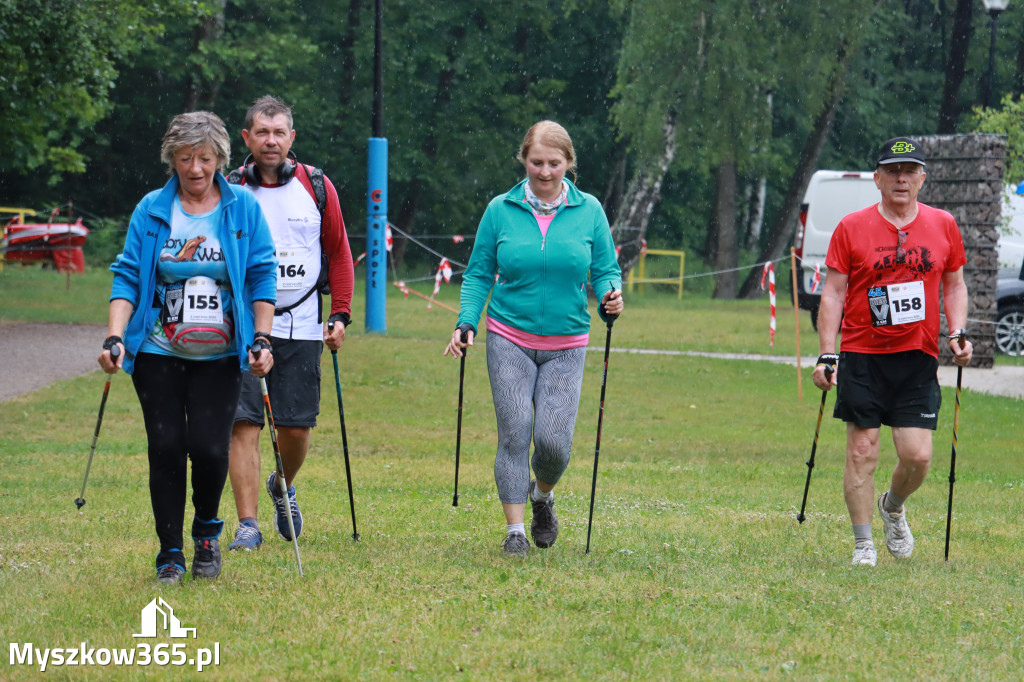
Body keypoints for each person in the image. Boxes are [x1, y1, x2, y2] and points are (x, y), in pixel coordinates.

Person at [97, 111, 277, 584]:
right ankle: (171, 553)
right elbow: (129, 275)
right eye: (184, 158)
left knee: (211, 449)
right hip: (157, 352)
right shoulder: (152, 209)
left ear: (220, 158)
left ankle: (207, 532)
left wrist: (262, 338)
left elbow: (261, 275)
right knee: (166, 446)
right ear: (171, 160)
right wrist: (115, 337)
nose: (195, 169)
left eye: (204, 158)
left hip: (220, 355)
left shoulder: (242, 210)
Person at [444, 120, 623, 557]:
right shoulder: (500, 209)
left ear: (569, 164)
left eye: (554, 163)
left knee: (554, 443)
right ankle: (515, 531)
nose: (544, 172)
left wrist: (610, 297)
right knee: (515, 433)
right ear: (524, 160)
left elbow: (604, 270)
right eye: (536, 162)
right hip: (508, 336)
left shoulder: (590, 211)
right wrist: (466, 321)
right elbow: (480, 272)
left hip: (566, 343)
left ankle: (542, 496)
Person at [812, 137, 973, 567]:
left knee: (917, 457)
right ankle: (863, 544)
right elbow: (832, 293)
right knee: (862, 450)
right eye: (893, 170)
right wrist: (827, 355)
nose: (902, 178)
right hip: (862, 354)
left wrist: (957, 331)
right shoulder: (852, 227)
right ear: (878, 179)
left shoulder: (943, 225)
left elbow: (955, 284)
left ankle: (893, 505)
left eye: (910, 170)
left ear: (922, 177)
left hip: (916, 356)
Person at [225, 95, 354, 551]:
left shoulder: (317, 186)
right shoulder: (231, 189)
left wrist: (339, 312)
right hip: (242, 325)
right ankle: (247, 524)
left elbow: (338, 253)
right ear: (247, 138)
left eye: (279, 132)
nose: (271, 140)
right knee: (244, 423)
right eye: (262, 132)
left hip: (301, 323)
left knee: (296, 428)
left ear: (292, 137)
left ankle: (282, 484)